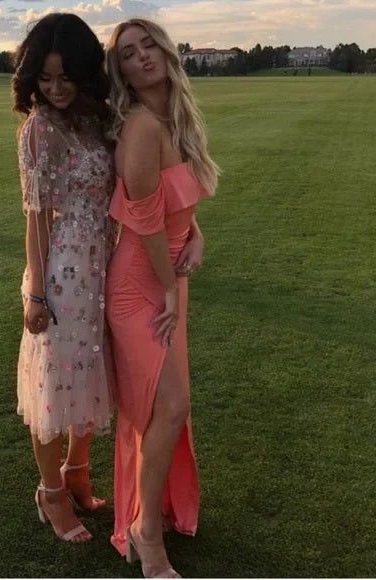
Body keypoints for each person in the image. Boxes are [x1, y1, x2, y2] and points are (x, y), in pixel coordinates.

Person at [105, 18, 220, 576]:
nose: (143, 56)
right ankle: (145, 531)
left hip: (169, 278)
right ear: (122, 72)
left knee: (167, 407)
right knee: (167, 405)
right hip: (138, 285)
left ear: (167, 51)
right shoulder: (141, 126)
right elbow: (144, 217)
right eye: (129, 53)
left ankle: (151, 516)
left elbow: (179, 204)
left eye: (149, 44)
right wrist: (170, 288)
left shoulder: (177, 119)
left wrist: (196, 234)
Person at [12, 13, 116, 543]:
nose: (55, 88)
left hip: (103, 265)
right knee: (54, 382)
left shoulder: (94, 119)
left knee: (89, 371)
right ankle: (50, 492)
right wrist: (36, 292)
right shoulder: (39, 130)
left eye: (66, 76)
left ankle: (78, 471)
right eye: (46, 78)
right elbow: (35, 217)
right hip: (62, 274)